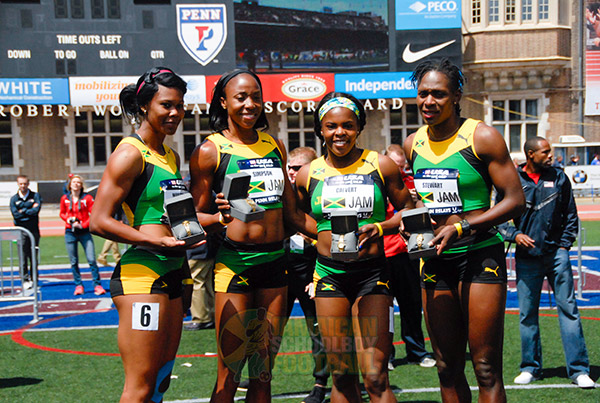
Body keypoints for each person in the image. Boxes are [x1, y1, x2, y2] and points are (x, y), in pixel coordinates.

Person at [189, 69, 316, 402]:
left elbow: (292, 214)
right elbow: (190, 218)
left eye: (256, 97)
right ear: (223, 102)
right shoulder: (209, 150)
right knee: (229, 375)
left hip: (276, 264)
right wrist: (217, 216)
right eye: (241, 97)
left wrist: (335, 236)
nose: (250, 104)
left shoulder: (274, 145)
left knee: (262, 372)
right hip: (235, 266)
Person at [403, 59, 525, 403]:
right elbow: (428, 201)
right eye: (423, 93)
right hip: (435, 259)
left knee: (485, 367)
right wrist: (409, 219)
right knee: (446, 366)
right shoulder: (414, 143)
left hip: (479, 255)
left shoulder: (482, 136)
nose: (429, 101)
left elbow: (516, 200)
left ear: (456, 95)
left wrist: (463, 226)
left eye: (439, 94)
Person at [294, 92, 413, 402]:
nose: (339, 133)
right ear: (320, 129)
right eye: (331, 126)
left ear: (359, 126)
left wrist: (380, 227)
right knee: (342, 375)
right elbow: (292, 215)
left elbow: (409, 209)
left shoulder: (381, 164)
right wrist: (323, 232)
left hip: (373, 276)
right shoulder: (308, 173)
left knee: (375, 377)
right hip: (329, 276)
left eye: (347, 126)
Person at [90, 67, 197, 402]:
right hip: (142, 275)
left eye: (180, 105)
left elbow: (172, 216)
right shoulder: (129, 153)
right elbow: (99, 221)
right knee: (139, 385)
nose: (175, 113)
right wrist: (153, 239)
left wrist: (218, 215)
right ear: (145, 106)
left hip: (176, 272)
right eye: (166, 105)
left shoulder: (170, 156)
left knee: (161, 379)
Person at [498, 137, 595, 389]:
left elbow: (571, 215)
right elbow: (496, 218)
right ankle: (530, 367)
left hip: (556, 256)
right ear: (530, 154)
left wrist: (563, 246)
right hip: (526, 259)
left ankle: (579, 369)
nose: (550, 155)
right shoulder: (512, 180)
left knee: (569, 311)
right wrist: (514, 235)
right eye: (545, 152)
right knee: (527, 315)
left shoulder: (560, 178)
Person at [382, 145, 435, 370]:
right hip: (384, 253)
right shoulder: (379, 181)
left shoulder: (413, 182)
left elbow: (426, 211)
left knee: (411, 305)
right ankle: (388, 355)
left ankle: (417, 351)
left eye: (404, 167)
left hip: (408, 253)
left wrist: (417, 200)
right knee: (384, 307)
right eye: (397, 167)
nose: (402, 171)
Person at [284, 146, 330, 403]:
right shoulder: (278, 193)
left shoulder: (320, 197)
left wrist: (312, 237)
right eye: (289, 166)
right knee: (269, 328)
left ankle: (320, 382)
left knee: (318, 330)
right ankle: (260, 376)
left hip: (311, 271)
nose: (291, 172)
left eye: (298, 167)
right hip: (281, 269)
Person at [60, 174, 105, 296]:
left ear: (81, 185)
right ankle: (78, 285)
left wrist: (84, 225)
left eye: (78, 182)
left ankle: (97, 285)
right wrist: (68, 219)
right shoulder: (65, 198)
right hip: (70, 232)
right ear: (70, 184)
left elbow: (93, 214)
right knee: (73, 261)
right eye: (74, 182)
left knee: (91, 259)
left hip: (84, 232)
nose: (76, 184)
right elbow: (62, 213)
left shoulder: (88, 198)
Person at [9, 175, 42, 289]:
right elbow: (16, 215)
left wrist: (23, 211)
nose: (23, 186)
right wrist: (28, 210)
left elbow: (36, 211)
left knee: (33, 256)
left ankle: (34, 279)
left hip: (33, 230)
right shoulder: (14, 199)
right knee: (22, 256)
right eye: (20, 184)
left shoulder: (35, 196)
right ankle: (24, 279)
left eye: (25, 184)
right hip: (20, 231)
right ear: (18, 184)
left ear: (28, 184)